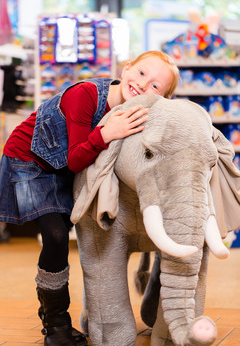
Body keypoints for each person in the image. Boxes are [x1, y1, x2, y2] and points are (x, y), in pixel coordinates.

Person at [0, 50, 179, 346]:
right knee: (56, 236)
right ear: (127, 68)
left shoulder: (141, 111)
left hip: (65, 165)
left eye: (156, 87)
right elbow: (74, 160)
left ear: (163, 99)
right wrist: (108, 133)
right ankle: (56, 324)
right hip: (31, 160)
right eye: (142, 73)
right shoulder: (85, 95)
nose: (144, 86)